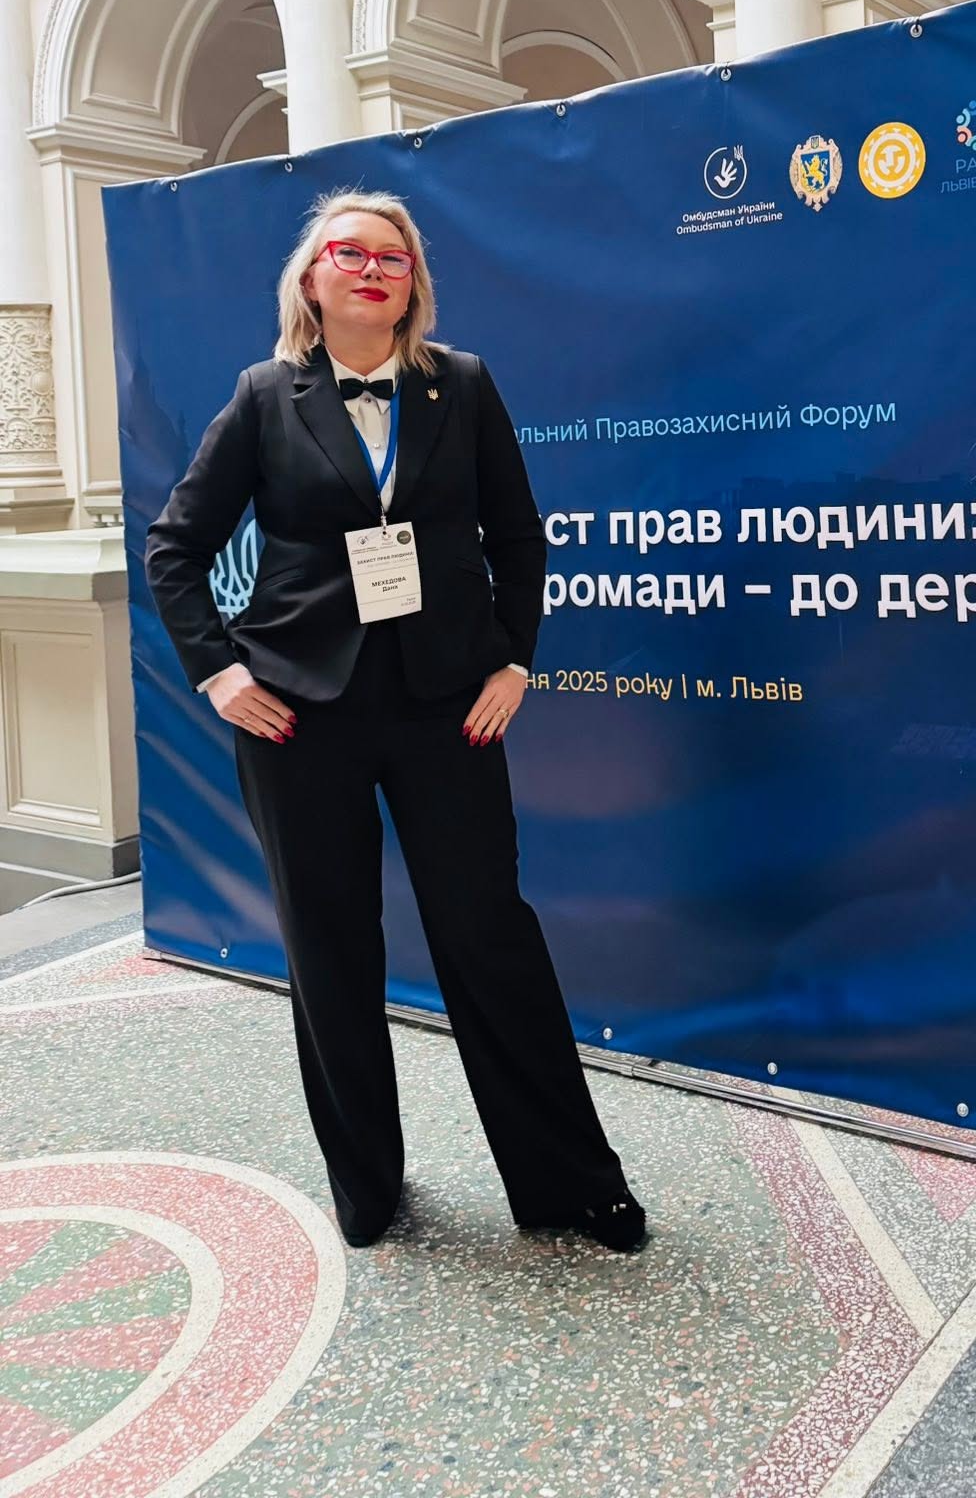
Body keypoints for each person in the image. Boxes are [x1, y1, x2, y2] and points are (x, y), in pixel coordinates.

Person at [146, 190, 645, 1253]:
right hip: (297, 713)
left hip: (445, 703)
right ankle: (367, 1187)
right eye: (351, 253)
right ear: (311, 278)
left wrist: (515, 658)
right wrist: (219, 675)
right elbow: (175, 546)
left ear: (414, 282)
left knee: (489, 935)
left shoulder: (460, 383)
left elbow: (517, 533)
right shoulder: (264, 395)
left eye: (396, 257)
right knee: (329, 945)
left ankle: (572, 1183)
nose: (374, 269)